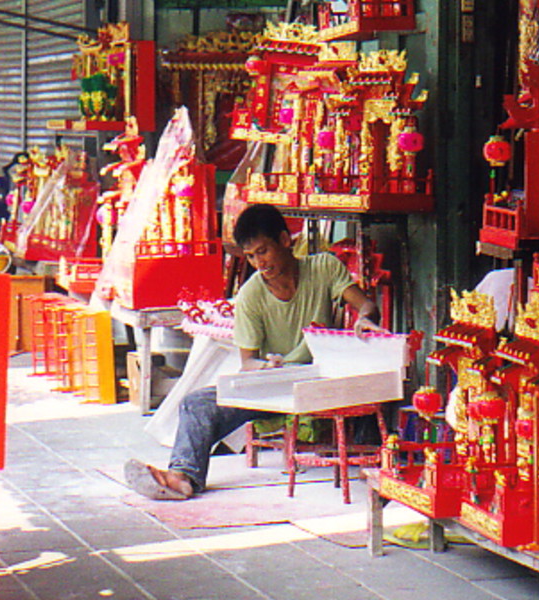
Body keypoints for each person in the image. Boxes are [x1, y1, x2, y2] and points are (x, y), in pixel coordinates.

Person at [124, 202, 382, 501]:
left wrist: (364, 318)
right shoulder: (250, 295)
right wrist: (266, 368)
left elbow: (366, 305)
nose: (260, 263)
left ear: (285, 241)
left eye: (263, 251)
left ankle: (377, 468)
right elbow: (248, 362)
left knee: (372, 375)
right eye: (250, 256)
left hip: (323, 376)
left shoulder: (323, 267)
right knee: (197, 403)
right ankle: (183, 478)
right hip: (277, 383)